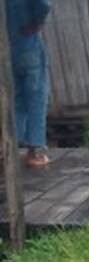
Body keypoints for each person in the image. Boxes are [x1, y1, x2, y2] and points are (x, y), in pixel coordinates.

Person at [5, 0, 52, 169]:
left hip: (11, 49)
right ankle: (35, 151)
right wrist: (37, 23)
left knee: (18, 101)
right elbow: (44, 4)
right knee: (36, 99)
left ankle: (11, 148)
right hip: (30, 45)